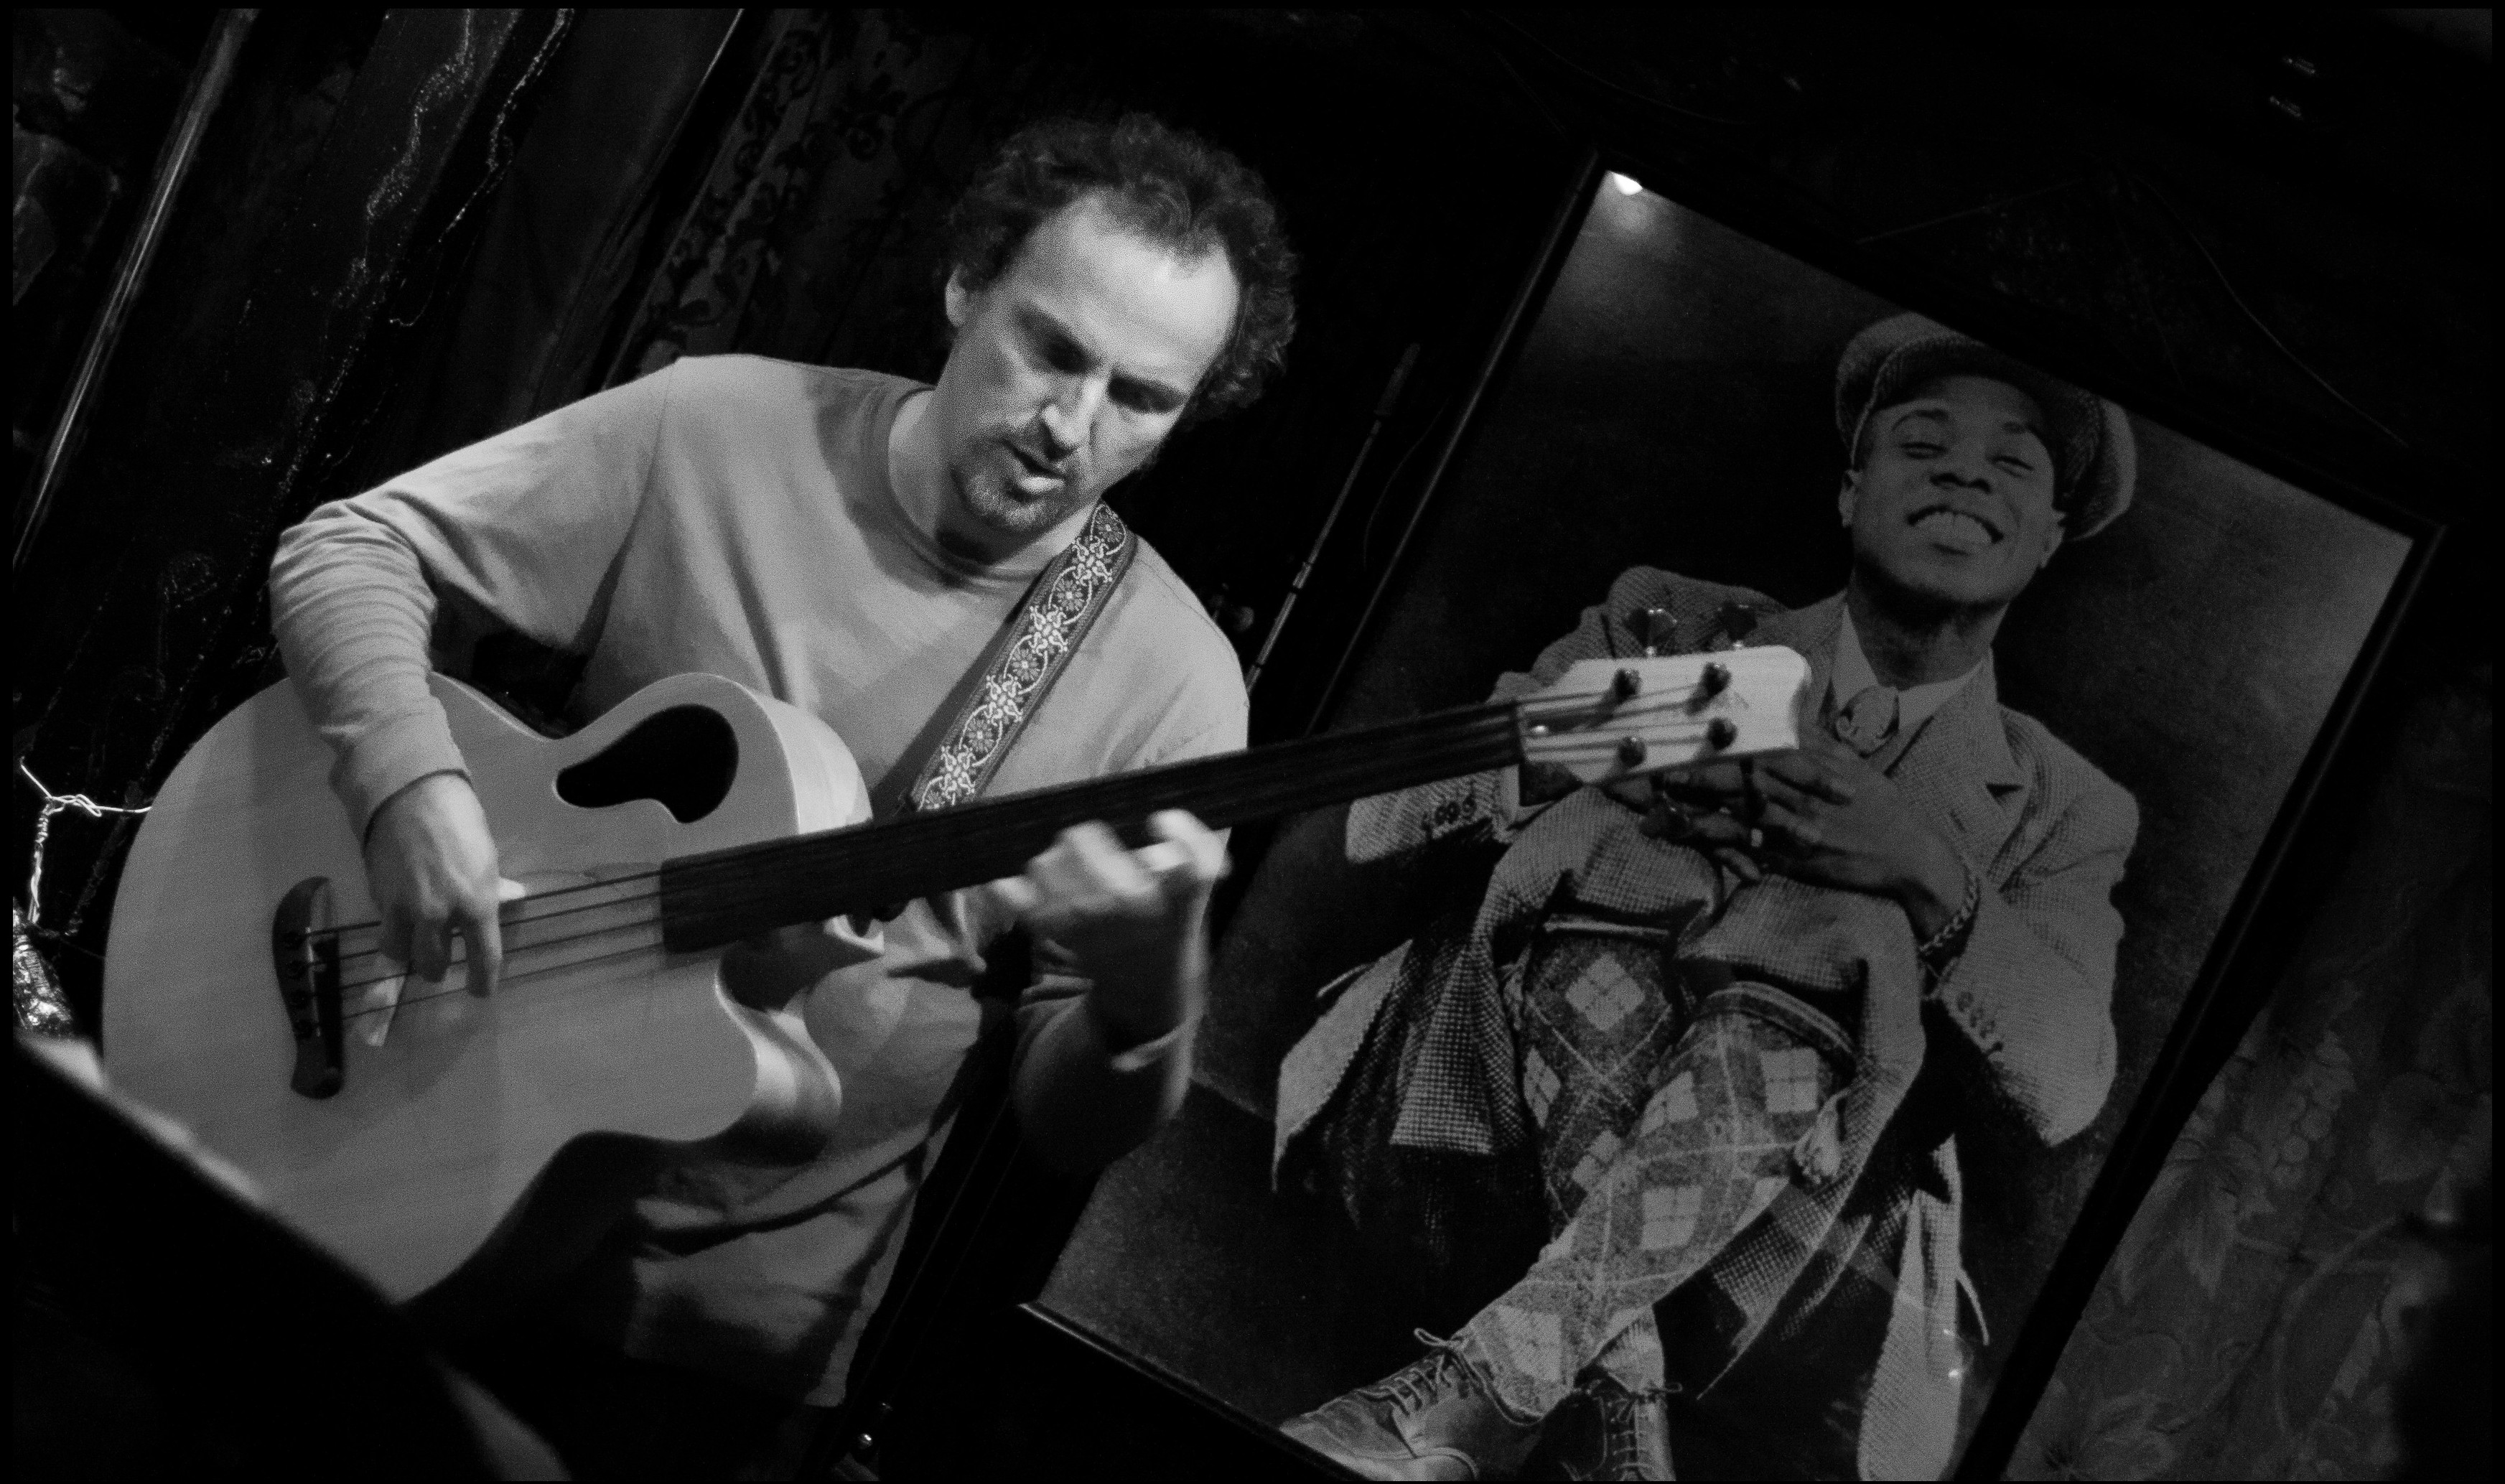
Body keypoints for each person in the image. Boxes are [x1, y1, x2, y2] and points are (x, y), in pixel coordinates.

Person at [267, 112, 1296, 1475]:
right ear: (966, 284)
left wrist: (1145, 996)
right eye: (1051, 349)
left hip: (704, 1340)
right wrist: (410, 788)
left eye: (1141, 400)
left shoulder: (1174, 688)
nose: (1070, 425)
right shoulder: (720, 425)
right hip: (430, 1138)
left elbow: (1065, 1129)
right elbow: (351, 550)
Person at [1275, 312, 2140, 1480]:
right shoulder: (1673, 621)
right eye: (1921, 442)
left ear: (2046, 540)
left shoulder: (2065, 803)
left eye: (2012, 463)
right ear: (1849, 493)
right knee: (1617, 850)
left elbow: (2069, 1085)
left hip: (1799, 1254)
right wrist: (1625, 731)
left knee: (1846, 935)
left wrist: (1923, 871)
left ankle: (1524, 1391)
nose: (1963, 474)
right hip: (1470, 1115)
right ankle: (1585, 1384)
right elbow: (1378, 811)